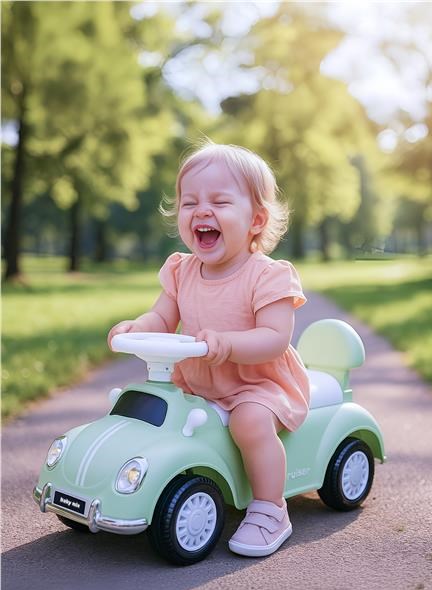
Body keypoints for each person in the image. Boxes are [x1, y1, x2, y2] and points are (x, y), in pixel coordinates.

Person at [108, 142, 310, 557]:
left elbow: (275, 337)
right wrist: (138, 327)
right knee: (147, 410)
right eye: (190, 203)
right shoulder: (181, 270)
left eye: (219, 202)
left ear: (256, 220)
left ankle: (270, 508)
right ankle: (131, 484)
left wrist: (229, 343)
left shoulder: (268, 276)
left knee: (249, 423)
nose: (202, 211)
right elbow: (161, 317)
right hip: (199, 382)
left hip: (257, 383)